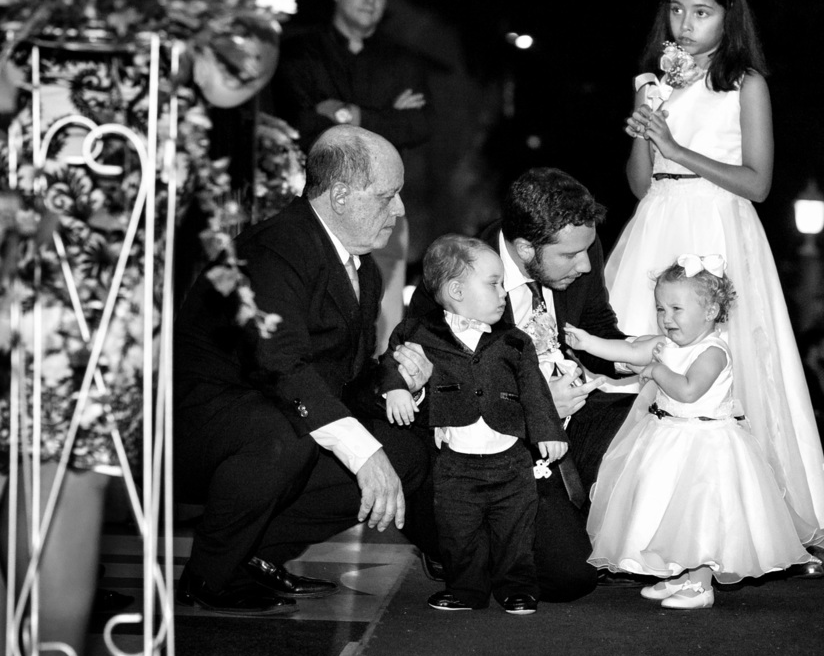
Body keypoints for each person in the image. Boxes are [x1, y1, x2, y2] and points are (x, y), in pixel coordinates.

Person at [606, 0, 824, 565]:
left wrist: (677, 146)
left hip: (718, 223)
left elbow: (759, 182)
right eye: (679, 10)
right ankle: (639, 522)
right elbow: (640, 182)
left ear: (727, 18)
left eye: (703, 13)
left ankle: (737, 522)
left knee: (733, 371)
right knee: (637, 356)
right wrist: (646, 136)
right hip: (658, 220)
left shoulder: (745, 84)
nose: (687, 24)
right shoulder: (650, 79)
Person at [173, 125, 436, 615]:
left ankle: (255, 555)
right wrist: (362, 452)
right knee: (292, 432)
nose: (399, 210)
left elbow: (348, 378)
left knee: (404, 451)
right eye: (388, 195)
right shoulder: (274, 250)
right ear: (340, 195)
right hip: (202, 425)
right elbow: (281, 365)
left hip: (278, 416)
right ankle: (209, 576)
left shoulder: (362, 267)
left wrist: (400, 384)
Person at [405, 167, 635, 602]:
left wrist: (643, 358)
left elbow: (595, 324)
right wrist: (540, 405)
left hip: (576, 415)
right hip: (497, 451)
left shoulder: (578, 241)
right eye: (570, 256)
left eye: (587, 251)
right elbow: (444, 398)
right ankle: (458, 540)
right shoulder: (453, 280)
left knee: (663, 423)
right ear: (526, 247)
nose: (584, 264)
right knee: (569, 579)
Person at [565, 256, 812, 609]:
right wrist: (588, 342)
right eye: (661, 309)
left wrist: (655, 371)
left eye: (677, 309)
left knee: (699, 512)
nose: (666, 319)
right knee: (666, 508)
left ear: (710, 310)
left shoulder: (713, 352)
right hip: (667, 436)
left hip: (706, 444)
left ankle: (700, 585)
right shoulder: (666, 345)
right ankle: (678, 574)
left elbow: (688, 390)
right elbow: (628, 349)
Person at [378, 235, 566, 615]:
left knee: (515, 529)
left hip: (510, 459)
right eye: (493, 283)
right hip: (455, 463)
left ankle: (518, 588)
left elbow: (534, 388)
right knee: (457, 531)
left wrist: (548, 431)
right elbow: (391, 362)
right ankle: (465, 589)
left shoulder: (514, 340)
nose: (502, 293)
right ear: (457, 290)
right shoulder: (417, 332)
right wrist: (397, 391)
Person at [271, 0, 432, 349]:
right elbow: (302, 124)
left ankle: (384, 390)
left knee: (385, 313)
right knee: (310, 300)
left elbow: (419, 125)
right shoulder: (299, 51)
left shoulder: (403, 60)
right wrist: (386, 116)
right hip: (313, 201)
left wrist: (346, 113)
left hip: (385, 203)